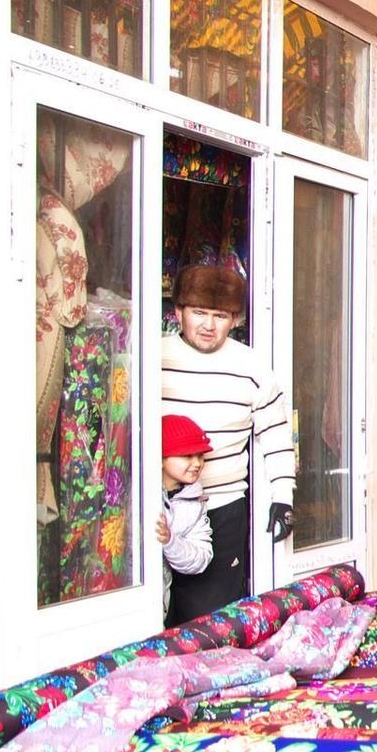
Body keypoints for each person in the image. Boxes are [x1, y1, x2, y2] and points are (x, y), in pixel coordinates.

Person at [161, 264, 295, 623]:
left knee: (210, 623)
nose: (208, 325)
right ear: (178, 313)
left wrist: (283, 497)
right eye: (199, 313)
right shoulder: (154, 358)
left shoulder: (251, 366)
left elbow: (275, 431)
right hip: (159, 507)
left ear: (234, 319)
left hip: (221, 509)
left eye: (219, 316)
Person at [157, 415, 214, 620]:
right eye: (187, 456)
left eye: (200, 456)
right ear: (162, 458)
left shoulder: (194, 502)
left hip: (160, 603)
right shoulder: (140, 496)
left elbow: (200, 558)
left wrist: (170, 541)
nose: (197, 463)